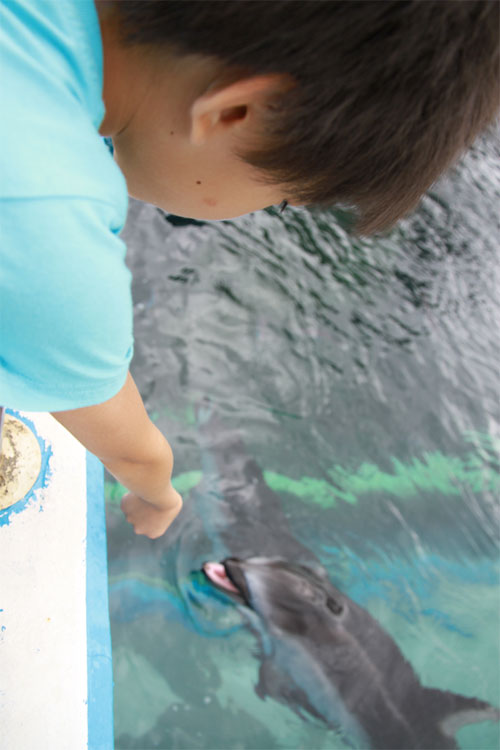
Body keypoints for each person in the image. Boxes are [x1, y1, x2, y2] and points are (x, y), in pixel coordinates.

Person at [1, 1, 498, 538]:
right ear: (234, 113)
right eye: (282, 198)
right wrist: (157, 498)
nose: (265, 208)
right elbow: (130, 446)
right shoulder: (45, 220)